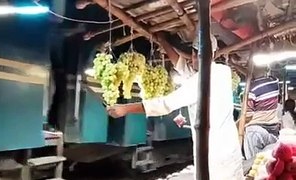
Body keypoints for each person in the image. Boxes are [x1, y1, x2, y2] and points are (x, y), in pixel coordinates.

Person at [107, 34, 244, 180]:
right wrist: (163, 42)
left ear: (214, 54)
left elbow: (166, 104)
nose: (197, 58)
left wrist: (125, 109)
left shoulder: (202, 80)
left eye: (201, 54)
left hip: (215, 154)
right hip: (226, 148)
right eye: (195, 54)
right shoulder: (223, 71)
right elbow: (184, 70)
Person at [243, 66, 280, 160]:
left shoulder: (251, 90)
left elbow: (248, 117)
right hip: (273, 131)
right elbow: (250, 73)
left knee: (255, 163)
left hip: (257, 132)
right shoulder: (274, 82)